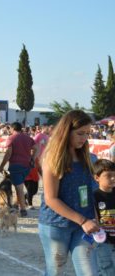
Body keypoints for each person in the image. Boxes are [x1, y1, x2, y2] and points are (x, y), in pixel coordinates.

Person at [38, 110, 100, 276]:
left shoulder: (89, 157)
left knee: (89, 272)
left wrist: (95, 218)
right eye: (80, 133)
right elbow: (51, 199)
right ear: (66, 131)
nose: (84, 138)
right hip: (56, 225)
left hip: (84, 225)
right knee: (55, 271)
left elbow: (93, 191)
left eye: (87, 133)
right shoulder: (53, 158)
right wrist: (83, 220)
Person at [0, 122, 38, 217]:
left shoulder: (11, 138)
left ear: (12, 129)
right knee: (19, 185)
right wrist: (32, 158)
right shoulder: (28, 138)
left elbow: (8, 153)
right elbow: (36, 148)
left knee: (19, 188)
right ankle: (16, 204)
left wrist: (1, 166)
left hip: (16, 166)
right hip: (27, 166)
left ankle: (23, 209)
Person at [93, 159, 115, 276]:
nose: (113, 178)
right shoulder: (95, 196)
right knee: (106, 266)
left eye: (114, 175)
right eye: (108, 176)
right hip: (104, 239)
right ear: (97, 178)